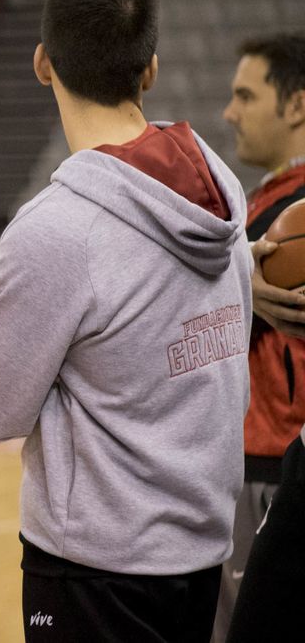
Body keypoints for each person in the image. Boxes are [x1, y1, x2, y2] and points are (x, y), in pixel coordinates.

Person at [0, 0, 250, 643]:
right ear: (150, 69)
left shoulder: (57, 231)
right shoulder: (219, 184)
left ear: (41, 64)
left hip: (97, 567)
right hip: (204, 548)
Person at [212, 33, 305, 642]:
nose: (230, 111)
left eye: (246, 95)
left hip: (271, 464)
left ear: (296, 105)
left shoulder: (292, 219)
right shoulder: (269, 202)